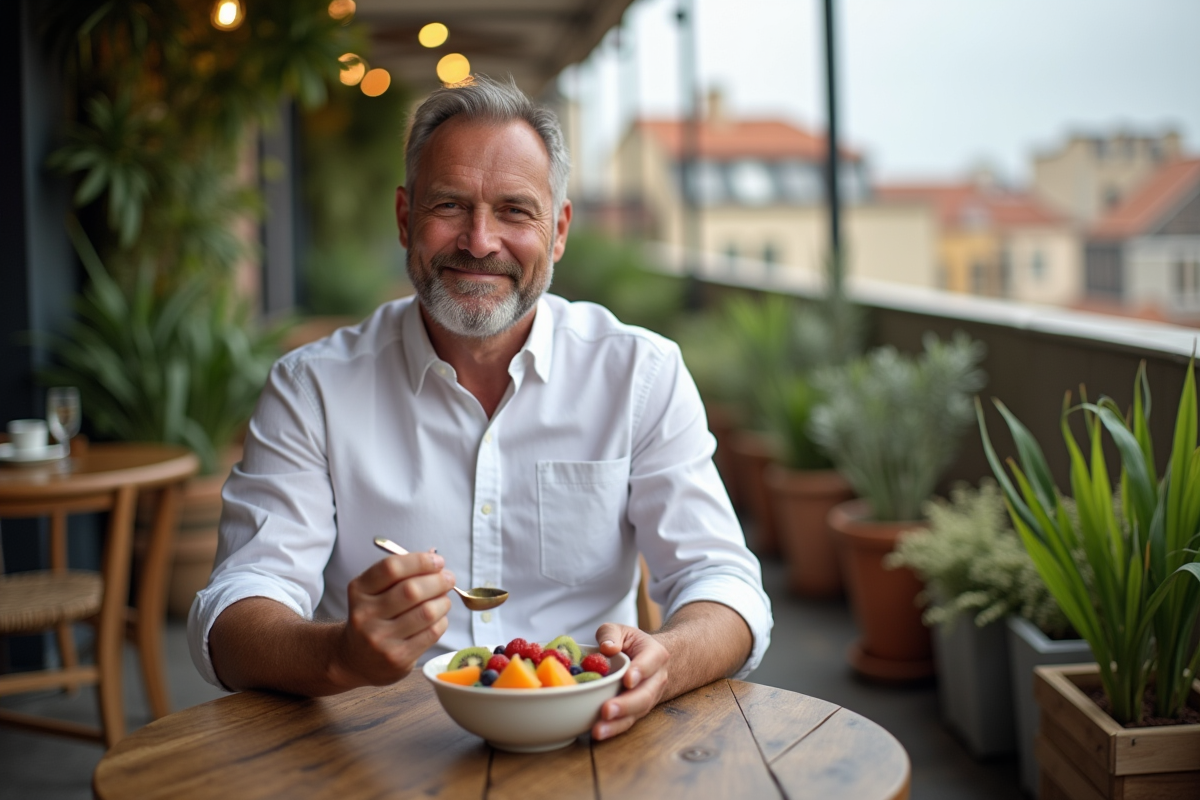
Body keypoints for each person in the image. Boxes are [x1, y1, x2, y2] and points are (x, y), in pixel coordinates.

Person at [188, 75, 771, 741]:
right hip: (372, 757)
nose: (479, 240)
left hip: (591, 743)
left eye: (516, 211)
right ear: (407, 219)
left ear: (559, 232)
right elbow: (234, 611)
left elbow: (724, 583)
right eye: (450, 206)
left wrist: (666, 661)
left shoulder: (640, 372)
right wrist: (340, 654)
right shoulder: (312, 388)